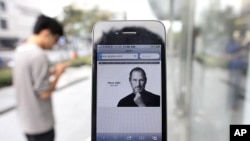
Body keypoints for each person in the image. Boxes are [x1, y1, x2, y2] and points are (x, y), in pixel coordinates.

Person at [13, 14, 70, 141]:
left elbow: (28, 79)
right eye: (55, 39)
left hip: (26, 122)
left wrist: (49, 72)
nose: (54, 44)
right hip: (41, 124)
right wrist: (59, 73)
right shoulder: (38, 55)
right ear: (46, 33)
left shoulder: (19, 51)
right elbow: (44, 93)